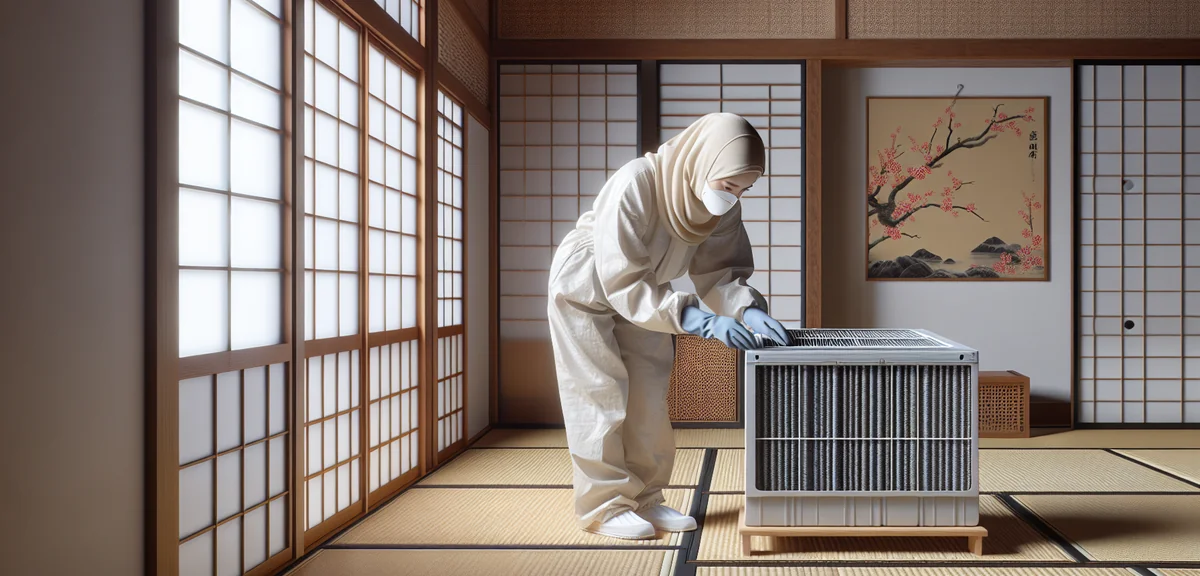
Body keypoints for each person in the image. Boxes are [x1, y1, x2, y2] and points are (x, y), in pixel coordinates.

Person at [546, 112, 791, 540]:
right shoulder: (637, 181)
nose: (732, 197)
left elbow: (722, 272)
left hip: (649, 293)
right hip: (587, 284)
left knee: (649, 395)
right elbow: (619, 275)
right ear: (702, 160)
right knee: (599, 394)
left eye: (744, 189)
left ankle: (646, 499)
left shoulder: (720, 206)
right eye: (728, 185)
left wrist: (746, 309)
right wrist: (697, 319)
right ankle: (605, 506)